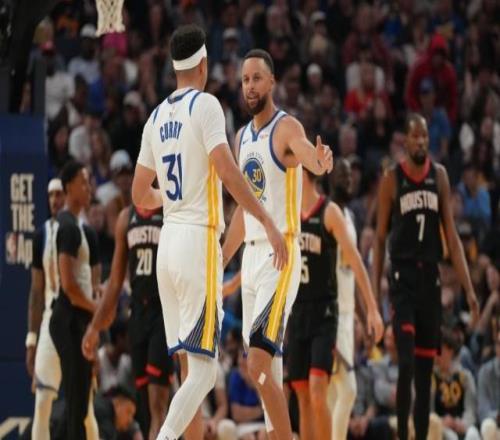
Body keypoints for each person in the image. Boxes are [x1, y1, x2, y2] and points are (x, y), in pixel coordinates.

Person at [131, 25, 287, 440]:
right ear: (202, 64)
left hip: (167, 243)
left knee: (189, 369)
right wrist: (266, 220)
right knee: (204, 373)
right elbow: (229, 172)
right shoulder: (206, 106)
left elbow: (139, 195)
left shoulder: (155, 117)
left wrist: (173, 196)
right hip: (197, 241)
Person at [222, 48, 333, 440]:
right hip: (250, 259)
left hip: (279, 255)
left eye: (256, 78)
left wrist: (319, 160)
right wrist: (221, 260)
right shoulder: (241, 138)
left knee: (256, 364)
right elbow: (242, 210)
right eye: (244, 80)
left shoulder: (286, 127)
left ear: (271, 82)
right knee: (269, 373)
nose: (250, 86)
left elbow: (307, 155)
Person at [372, 113, 479, 440]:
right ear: (405, 140)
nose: (420, 141)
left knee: (423, 373)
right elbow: (379, 238)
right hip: (402, 279)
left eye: (424, 137)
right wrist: (375, 295)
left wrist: (469, 290)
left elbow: (452, 238)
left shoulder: (440, 176)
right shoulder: (392, 179)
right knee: (405, 362)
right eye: (415, 136)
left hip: (430, 280)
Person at [286, 162, 383, 440]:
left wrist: (372, 309)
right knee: (303, 395)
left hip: (325, 312)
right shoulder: (287, 213)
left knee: (321, 390)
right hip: (297, 312)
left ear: (302, 173)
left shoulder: (329, 212)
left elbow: (356, 261)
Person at [82, 205, 174, 440]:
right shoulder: (126, 217)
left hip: (164, 312)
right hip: (138, 315)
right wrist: (94, 327)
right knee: (143, 408)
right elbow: (115, 281)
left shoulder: (170, 207)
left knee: (158, 404)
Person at [326, 158, 384, 440]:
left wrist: (364, 318)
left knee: (334, 393)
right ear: (329, 178)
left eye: (350, 176)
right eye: (342, 175)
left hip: (348, 316)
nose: (348, 180)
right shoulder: (326, 213)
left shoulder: (349, 216)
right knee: (347, 389)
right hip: (331, 314)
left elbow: (352, 272)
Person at [49, 161, 100, 440]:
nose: (88, 187)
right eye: (83, 181)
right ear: (69, 187)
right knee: (75, 401)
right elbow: (68, 285)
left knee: (78, 403)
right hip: (68, 317)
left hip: (78, 318)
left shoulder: (79, 226)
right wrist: (97, 309)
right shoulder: (67, 226)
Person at [26, 179, 66, 440]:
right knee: (41, 400)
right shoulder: (41, 235)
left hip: (77, 321)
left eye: (59, 194)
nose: (54, 200)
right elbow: (36, 291)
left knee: (85, 408)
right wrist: (31, 339)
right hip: (51, 319)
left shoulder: (83, 230)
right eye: (50, 195)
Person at [477, 329, 500, 440]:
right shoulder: (485, 372)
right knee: (488, 426)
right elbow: (482, 411)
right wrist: (498, 415)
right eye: (499, 344)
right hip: (493, 424)